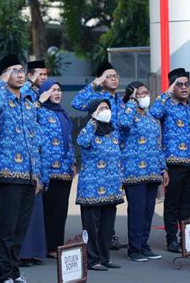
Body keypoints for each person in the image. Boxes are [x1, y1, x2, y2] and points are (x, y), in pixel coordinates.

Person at [0, 54, 46, 283]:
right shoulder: (0, 99)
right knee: (7, 229)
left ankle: (14, 272)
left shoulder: (28, 103)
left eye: (22, 70)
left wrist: (38, 176)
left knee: (20, 229)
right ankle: (5, 275)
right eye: (15, 70)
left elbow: (34, 141)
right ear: (4, 75)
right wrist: (2, 83)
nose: (21, 74)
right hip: (8, 175)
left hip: (29, 176)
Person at [71, 61, 127, 250]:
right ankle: (94, 250)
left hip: (115, 156)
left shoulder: (119, 100)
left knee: (110, 204)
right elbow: (76, 102)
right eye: (109, 76)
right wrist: (96, 82)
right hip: (96, 156)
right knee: (94, 208)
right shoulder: (97, 98)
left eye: (116, 75)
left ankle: (106, 241)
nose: (114, 79)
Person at [150, 68, 190, 253]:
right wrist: (167, 92)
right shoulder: (167, 105)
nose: (184, 88)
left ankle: (186, 239)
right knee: (172, 203)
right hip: (174, 163)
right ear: (173, 86)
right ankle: (171, 239)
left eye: (186, 84)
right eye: (179, 84)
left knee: (188, 204)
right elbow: (153, 112)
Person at [119, 81, 169, 261]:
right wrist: (132, 102)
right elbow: (123, 124)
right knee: (137, 210)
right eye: (141, 93)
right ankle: (134, 249)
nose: (145, 96)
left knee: (148, 211)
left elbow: (157, 145)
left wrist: (163, 169)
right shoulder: (126, 111)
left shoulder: (149, 116)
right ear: (132, 95)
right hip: (133, 172)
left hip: (152, 171)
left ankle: (144, 245)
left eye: (147, 92)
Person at [76, 99, 124, 271]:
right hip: (91, 188)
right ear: (93, 113)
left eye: (107, 108)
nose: (105, 110)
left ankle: (105, 258)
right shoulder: (88, 130)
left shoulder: (112, 132)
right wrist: (93, 122)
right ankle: (91, 260)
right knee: (91, 227)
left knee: (107, 227)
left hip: (111, 187)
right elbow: (82, 142)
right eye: (101, 108)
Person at [36, 80, 76, 259]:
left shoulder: (63, 113)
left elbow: (68, 140)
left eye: (59, 90)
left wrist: (73, 162)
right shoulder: (39, 112)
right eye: (52, 90)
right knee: (48, 210)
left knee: (60, 210)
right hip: (48, 170)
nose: (57, 93)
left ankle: (56, 244)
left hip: (65, 170)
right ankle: (45, 245)